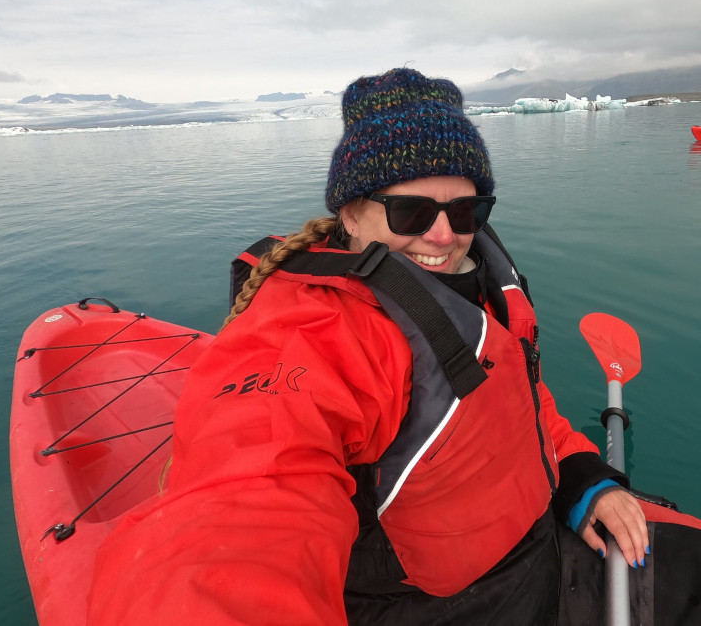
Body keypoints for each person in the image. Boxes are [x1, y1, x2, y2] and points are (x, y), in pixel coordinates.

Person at [87, 67, 649, 626]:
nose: (444, 235)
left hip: (537, 557)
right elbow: (247, 505)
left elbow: (513, 390)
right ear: (351, 214)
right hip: (435, 606)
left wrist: (579, 475)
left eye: (465, 211)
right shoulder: (320, 329)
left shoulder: (471, 280)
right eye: (411, 211)